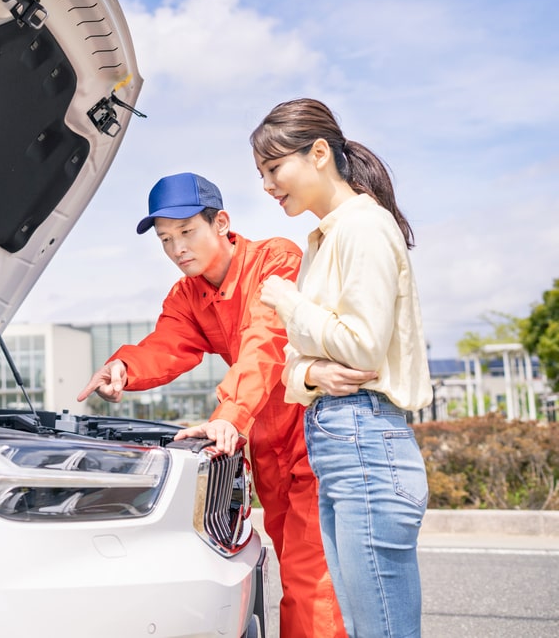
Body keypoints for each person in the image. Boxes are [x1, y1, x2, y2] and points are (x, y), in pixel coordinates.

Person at [77, 172, 347, 638]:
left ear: (220, 222)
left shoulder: (274, 259)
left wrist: (230, 415)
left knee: (312, 582)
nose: (177, 248)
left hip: (312, 431)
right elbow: (166, 343)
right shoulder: (187, 295)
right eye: (165, 239)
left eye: (187, 232)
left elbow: (267, 342)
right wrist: (124, 366)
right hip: (268, 444)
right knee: (292, 568)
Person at [253, 98, 432, 638]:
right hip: (343, 436)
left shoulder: (362, 228)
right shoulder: (327, 236)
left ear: (320, 153)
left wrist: (287, 302)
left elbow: (359, 348)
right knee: (367, 624)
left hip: (363, 436)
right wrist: (309, 373)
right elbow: (294, 365)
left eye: (273, 168)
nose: (266, 185)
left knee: (379, 626)